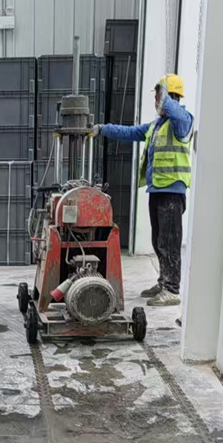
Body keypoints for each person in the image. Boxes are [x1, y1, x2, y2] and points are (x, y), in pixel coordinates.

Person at [92, 74, 194, 306]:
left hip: (172, 192)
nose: (156, 101)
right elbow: (129, 132)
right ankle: (164, 281)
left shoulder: (182, 122)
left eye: (158, 96)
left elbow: (179, 116)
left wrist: (166, 97)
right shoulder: (156, 126)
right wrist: (102, 129)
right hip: (157, 190)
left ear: (170, 95)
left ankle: (172, 290)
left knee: (169, 242)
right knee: (158, 241)